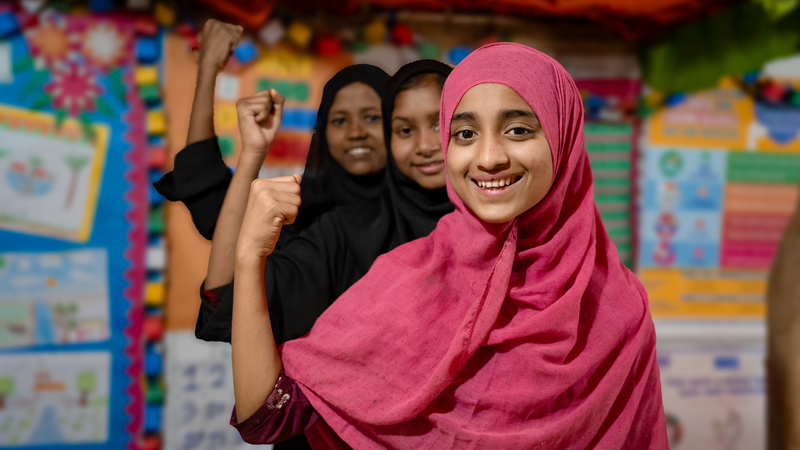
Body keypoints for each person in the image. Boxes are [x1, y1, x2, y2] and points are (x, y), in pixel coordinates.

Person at [228, 42, 668, 449]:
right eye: (465, 134)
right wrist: (249, 259)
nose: (489, 157)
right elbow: (267, 417)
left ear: (563, 137)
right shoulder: (408, 277)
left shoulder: (621, 307)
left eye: (517, 130)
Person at [154, 19, 390, 243]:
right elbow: (209, 195)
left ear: (397, 124)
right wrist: (208, 69)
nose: (356, 132)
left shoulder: (421, 212)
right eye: (339, 121)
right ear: (323, 135)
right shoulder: (299, 220)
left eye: (372, 117)